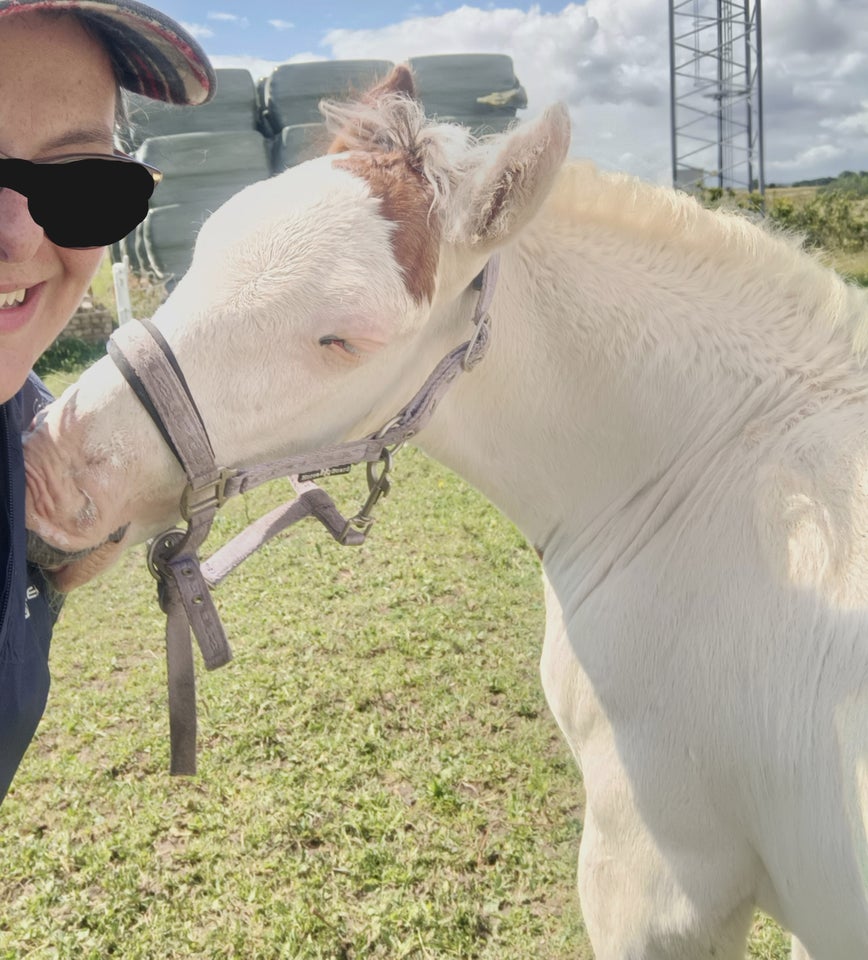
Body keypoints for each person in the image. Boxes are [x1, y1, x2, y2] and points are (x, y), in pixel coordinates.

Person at [0, 0, 215, 803]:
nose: (19, 239)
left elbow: (54, 567)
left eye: (82, 183)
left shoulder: (31, 424)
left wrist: (85, 530)